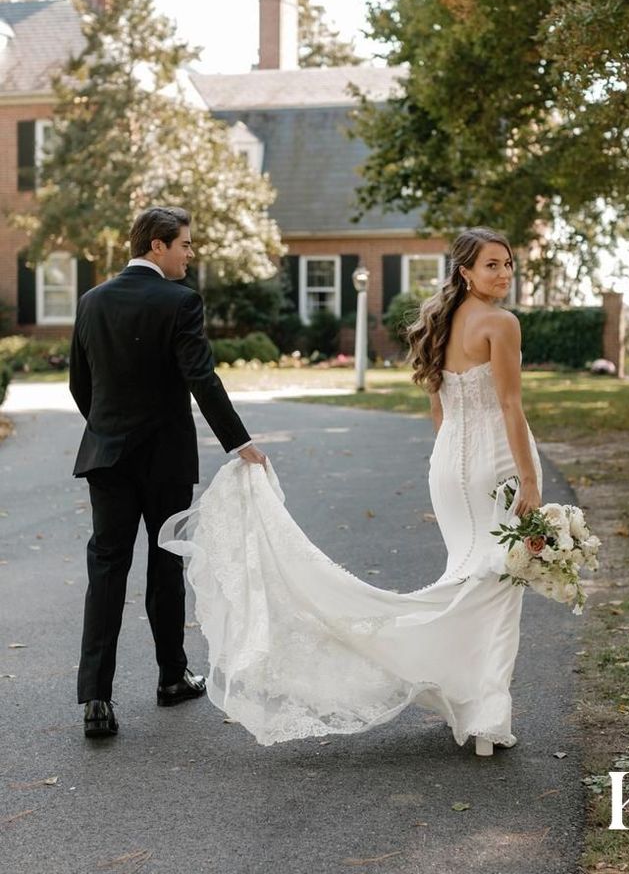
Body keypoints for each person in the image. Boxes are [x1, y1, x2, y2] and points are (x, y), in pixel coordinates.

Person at [159, 227, 543, 755]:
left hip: (449, 468)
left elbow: (441, 410)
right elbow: (509, 407)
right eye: (492, 265)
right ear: (466, 272)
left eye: (507, 265)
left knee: (470, 580)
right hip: (493, 465)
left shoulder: (442, 321)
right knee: (497, 586)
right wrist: (530, 478)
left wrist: (451, 461)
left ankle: (464, 697)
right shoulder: (501, 323)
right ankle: (483, 716)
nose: (503, 274)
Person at [70, 206, 267, 739]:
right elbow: (200, 377)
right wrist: (240, 441)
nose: (189, 254)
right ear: (157, 246)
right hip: (165, 459)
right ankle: (170, 678)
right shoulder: (180, 301)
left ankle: (95, 701)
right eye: (184, 244)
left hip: (106, 456)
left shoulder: (92, 300)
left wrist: (110, 429)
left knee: (106, 571)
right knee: (165, 564)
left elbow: (79, 384)